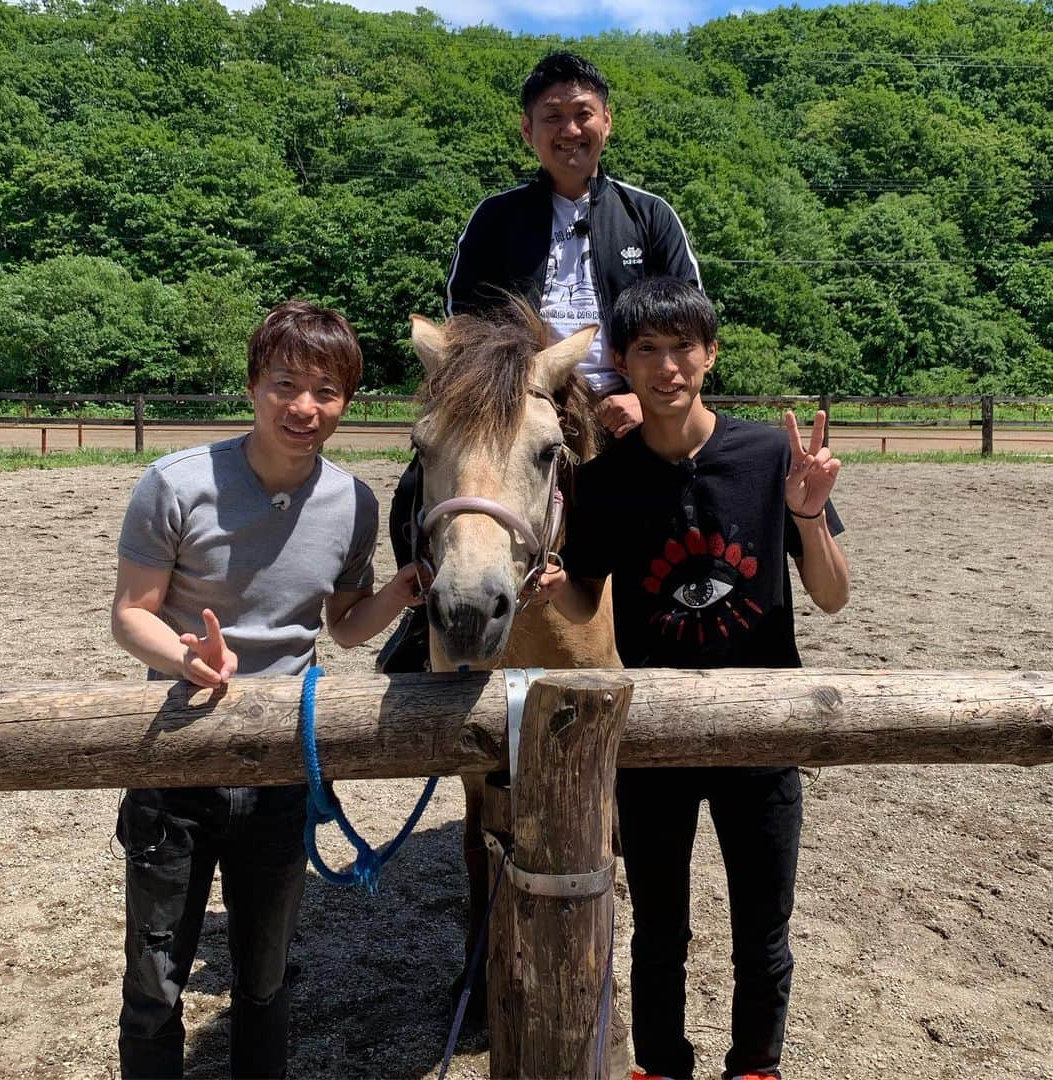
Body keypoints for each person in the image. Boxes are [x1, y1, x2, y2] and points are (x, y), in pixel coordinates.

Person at [540, 277, 850, 1080]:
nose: (667, 365)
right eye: (647, 349)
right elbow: (583, 594)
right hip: (656, 738)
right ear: (621, 362)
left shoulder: (769, 456)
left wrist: (809, 515)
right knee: (661, 929)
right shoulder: (604, 482)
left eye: (683, 347)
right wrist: (552, 583)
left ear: (710, 355)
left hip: (762, 730)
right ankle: (662, 1066)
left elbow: (832, 595)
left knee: (763, 925)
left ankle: (756, 1064)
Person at [110, 300, 421, 1078]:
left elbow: (344, 626)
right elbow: (130, 614)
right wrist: (185, 657)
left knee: (266, 982)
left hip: (282, 767)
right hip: (174, 761)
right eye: (285, 384)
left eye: (326, 391)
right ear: (253, 385)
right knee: (154, 986)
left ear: (347, 402)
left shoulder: (353, 503)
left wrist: (405, 591)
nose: (304, 407)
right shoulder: (175, 484)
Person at [380, 48, 703, 671]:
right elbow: (463, 320)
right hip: (517, 396)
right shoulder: (495, 218)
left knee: (696, 494)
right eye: (551, 116)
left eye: (582, 113)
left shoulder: (650, 215)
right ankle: (425, 624)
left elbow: (686, 316)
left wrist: (643, 393)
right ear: (527, 130)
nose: (569, 129)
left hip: (625, 405)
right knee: (415, 488)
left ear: (607, 121)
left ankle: (680, 627)